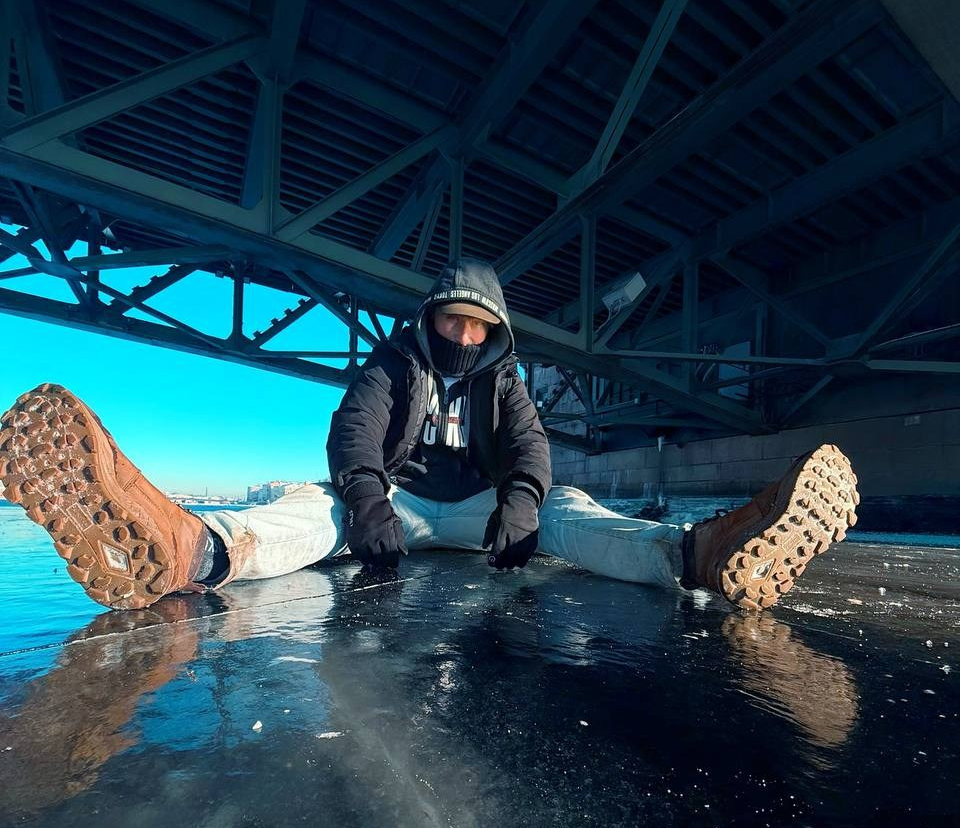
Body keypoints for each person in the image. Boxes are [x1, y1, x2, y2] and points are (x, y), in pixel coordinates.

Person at [0, 258, 858, 613]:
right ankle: (188, 547)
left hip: (480, 513)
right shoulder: (391, 364)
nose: (467, 338)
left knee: (570, 510)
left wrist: (522, 503)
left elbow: (530, 450)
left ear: (497, 335)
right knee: (314, 512)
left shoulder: (507, 380)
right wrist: (367, 504)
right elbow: (353, 437)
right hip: (404, 511)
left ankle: (700, 554)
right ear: (433, 318)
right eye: (456, 322)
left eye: (482, 329)